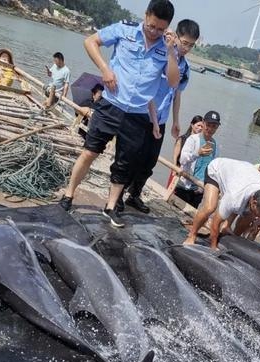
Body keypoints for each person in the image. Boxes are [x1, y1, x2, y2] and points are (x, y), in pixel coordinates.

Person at [58, 0, 180, 227]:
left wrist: (172, 52)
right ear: (146, 16)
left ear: (168, 27)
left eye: (161, 29)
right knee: (90, 151)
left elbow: (173, 82)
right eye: (152, 26)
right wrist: (105, 69)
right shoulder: (124, 30)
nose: (155, 32)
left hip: (137, 114)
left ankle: (111, 207)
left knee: (125, 163)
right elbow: (90, 41)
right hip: (111, 103)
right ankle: (68, 194)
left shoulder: (166, 48)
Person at [119, 19, 200, 213]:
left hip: (161, 119)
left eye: (191, 45)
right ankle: (118, 194)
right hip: (143, 114)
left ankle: (134, 195)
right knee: (132, 156)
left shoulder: (185, 68)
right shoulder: (160, 54)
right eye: (185, 42)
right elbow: (147, 86)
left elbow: (176, 94)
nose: (187, 48)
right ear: (176, 37)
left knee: (150, 160)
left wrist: (176, 121)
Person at [183, 157, 260, 250]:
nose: (259, 217)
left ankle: (231, 239)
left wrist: (256, 223)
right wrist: (213, 246)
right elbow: (215, 223)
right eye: (259, 214)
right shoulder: (234, 197)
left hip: (244, 174)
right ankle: (192, 234)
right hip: (216, 169)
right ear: (253, 202)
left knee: (248, 217)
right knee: (210, 207)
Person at [174, 111, 220, 208]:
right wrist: (197, 153)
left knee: (189, 215)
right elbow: (182, 160)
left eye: (214, 126)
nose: (210, 129)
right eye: (208, 125)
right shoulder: (193, 139)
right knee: (174, 211)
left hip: (199, 189)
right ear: (203, 123)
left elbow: (214, 168)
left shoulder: (215, 145)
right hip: (185, 185)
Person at [166, 115, 204, 187]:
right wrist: (174, 170)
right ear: (192, 124)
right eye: (198, 125)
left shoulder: (200, 142)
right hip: (178, 170)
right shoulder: (182, 139)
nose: (200, 128)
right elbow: (175, 156)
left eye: (202, 127)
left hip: (190, 173)